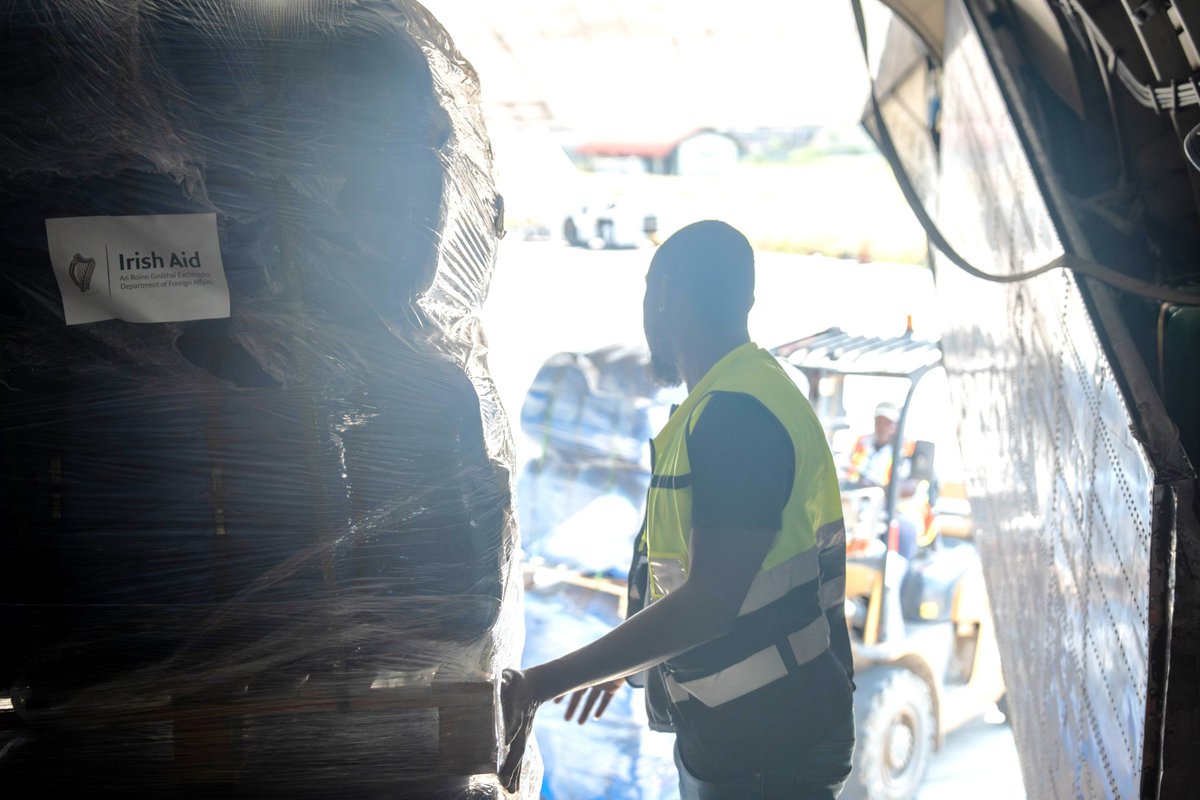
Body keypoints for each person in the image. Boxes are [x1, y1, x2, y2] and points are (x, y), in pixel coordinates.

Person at [501, 221, 855, 799]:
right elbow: (691, 581)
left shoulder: (735, 415)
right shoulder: (736, 396)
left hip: (768, 741)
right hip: (750, 729)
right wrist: (628, 662)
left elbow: (709, 604)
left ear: (661, 294)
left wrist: (540, 684)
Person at [842, 402, 934, 560]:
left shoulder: (910, 449)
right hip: (862, 506)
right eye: (880, 421)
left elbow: (910, 488)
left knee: (902, 531)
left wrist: (878, 489)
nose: (884, 426)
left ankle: (898, 576)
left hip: (899, 510)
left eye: (889, 422)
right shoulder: (862, 443)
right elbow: (849, 472)